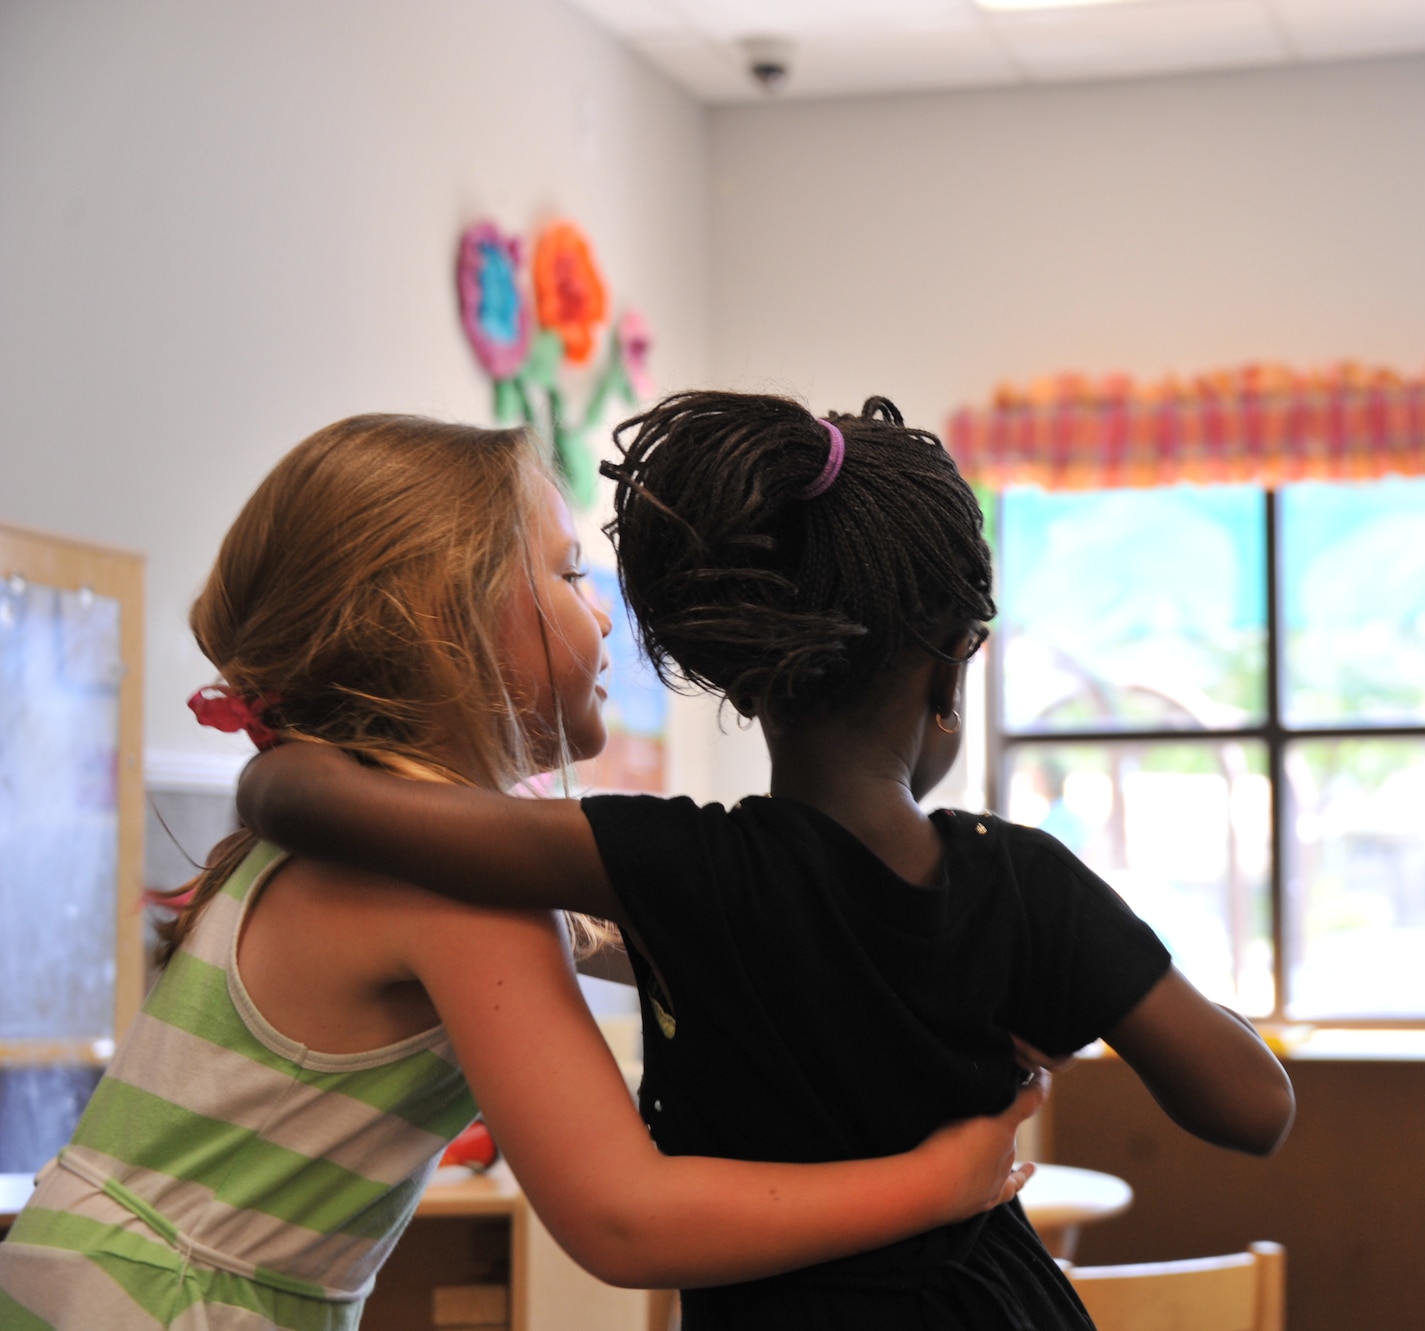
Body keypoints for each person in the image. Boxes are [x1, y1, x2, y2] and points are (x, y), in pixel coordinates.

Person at [236, 393, 1298, 1331]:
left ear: (744, 679)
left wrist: (271, 759)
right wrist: (1075, 973)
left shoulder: (666, 865)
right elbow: (1251, 1106)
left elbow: (323, 803)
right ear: (949, 672)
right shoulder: (1024, 884)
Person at [0, 415, 1046, 1331]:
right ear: (445, 614)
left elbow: (677, 936)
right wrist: (934, 1180)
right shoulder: (447, 882)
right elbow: (623, 1215)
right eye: (568, 573)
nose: (600, 618)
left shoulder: (377, 837)